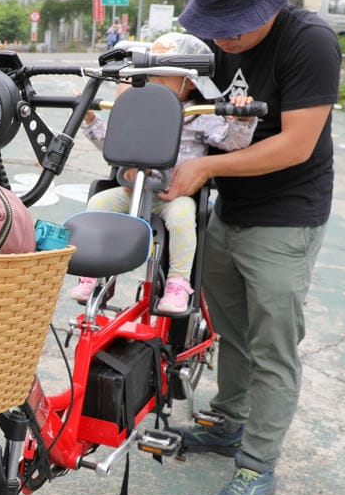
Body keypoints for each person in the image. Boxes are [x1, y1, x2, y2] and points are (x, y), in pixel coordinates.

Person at [164, 0, 340, 495]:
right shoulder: (213, 46)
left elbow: (296, 144)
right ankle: (229, 419)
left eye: (234, 26)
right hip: (231, 207)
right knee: (230, 326)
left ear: (267, 3)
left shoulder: (309, 42)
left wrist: (206, 167)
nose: (225, 38)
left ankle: (257, 461)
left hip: (287, 213)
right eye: (216, 26)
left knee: (272, 342)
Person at [70, 32, 258, 315]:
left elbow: (234, 143)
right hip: (132, 190)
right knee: (97, 205)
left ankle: (178, 283)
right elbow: (112, 143)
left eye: (163, 75)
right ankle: (95, 275)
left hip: (173, 195)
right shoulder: (140, 108)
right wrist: (90, 119)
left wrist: (241, 120)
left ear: (190, 82)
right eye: (151, 74)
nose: (153, 80)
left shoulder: (201, 114)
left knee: (184, 216)